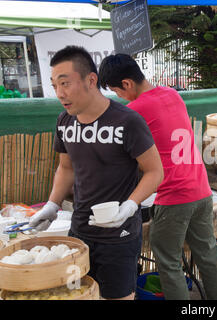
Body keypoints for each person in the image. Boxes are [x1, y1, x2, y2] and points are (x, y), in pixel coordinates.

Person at [29, 46, 164, 300]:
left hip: (119, 235)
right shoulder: (64, 121)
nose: (59, 93)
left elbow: (155, 172)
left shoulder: (127, 121)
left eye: (65, 83)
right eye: (54, 85)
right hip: (80, 230)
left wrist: (130, 205)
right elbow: (66, 167)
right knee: (76, 295)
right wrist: (51, 204)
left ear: (91, 80)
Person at [98, 54, 217, 300]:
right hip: (201, 190)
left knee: (169, 263)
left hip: (174, 197)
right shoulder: (172, 94)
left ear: (127, 83)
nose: (119, 97)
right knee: (208, 257)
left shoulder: (135, 110)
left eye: (117, 91)